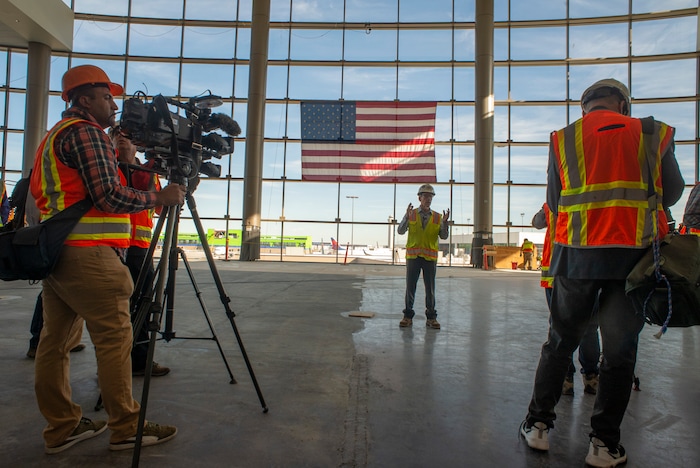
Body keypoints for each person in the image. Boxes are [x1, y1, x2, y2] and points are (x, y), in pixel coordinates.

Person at [520, 78, 684, 467]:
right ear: (623, 105)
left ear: (585, 108)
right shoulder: (651, 132)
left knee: (560, 342)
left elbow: (554, 202)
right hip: (632, 260)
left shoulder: (563, 139)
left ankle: (538, 426)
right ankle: (604, 445)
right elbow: (673, 191)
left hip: (576, 258)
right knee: (620, 353)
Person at [29, 64, 186, 454]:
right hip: (89, 256)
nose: (113, 105)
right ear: (84, 100)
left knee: (55, 342)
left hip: (59, 255)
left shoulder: (55, 136)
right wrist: (160, 197)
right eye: (105, 97)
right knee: (116, 338)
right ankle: (126, 427)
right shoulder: (86, 133)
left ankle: (62, 427)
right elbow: (110, 197)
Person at [109, 125, 170, 377]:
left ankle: (140, 360)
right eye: (117, 136)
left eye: (127, 137)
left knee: (143, 308)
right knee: (114, 311)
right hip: (112, 249)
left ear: (138, 144)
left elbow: (158, 208)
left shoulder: (148, 171)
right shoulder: (105, 167)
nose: (122, 140)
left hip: (139, 250)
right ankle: (116, 363)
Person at [532, 204, 600, 397]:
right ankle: (591, 377)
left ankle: (565, 379)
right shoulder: (594, 201)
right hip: (587, 271)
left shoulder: (551, 206)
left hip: (556, 272)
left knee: (559, 327)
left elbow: (537, 223)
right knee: (589, 327)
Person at [397, 183, 450, 329]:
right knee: (410, 287)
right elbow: (400, 231)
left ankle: (431, 318)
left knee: (430, 289)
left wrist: (445, 224)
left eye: (430, 196)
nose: (428, 199)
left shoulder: (438, 217)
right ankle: (407, 316)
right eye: (425, 196)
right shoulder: (411, 214)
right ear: (419, 198)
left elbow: (444, 236)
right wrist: (406, 218)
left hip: (430, 258)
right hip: (414, 257)